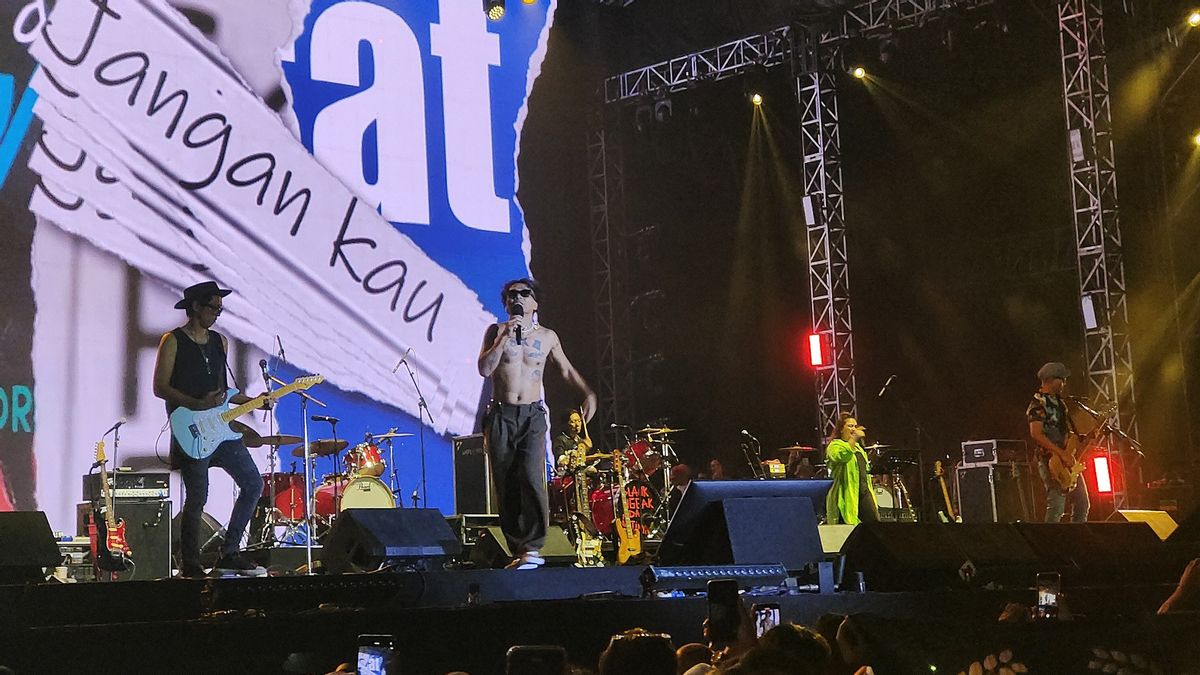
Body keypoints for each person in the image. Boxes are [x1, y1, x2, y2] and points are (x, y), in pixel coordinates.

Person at [478, 278, 596, 569]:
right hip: (502, 414)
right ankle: (519, 550)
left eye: (523, 293)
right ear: (506, 303)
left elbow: (565, 370)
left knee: (532, 477)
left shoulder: (547, 336)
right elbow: (484, 368)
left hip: (531, 415)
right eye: (511, 295)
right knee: (506, 484)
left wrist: (588, 393)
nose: (516, 298)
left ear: (535, 302)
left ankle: (532, 548)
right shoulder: (496, 331)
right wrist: (504, 338)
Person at [153, 281, 269, 578]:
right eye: (213, 307)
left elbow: (224, 391)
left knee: (253, 484)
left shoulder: (220, 342)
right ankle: (190, 564)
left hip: (220, 428)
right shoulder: (173, 340)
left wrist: (255, 401)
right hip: (191, 427)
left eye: (220, 308)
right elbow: (160, 387)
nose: (217, 313)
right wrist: (195, 403)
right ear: (196, 307)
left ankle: (229, 553)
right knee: (197, 497)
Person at [1026, 362, 1089, 523]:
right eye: (1061, 379)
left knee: (1082, 502)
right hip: (1049, 461)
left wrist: (1072, 444)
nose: (1064, 383)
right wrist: (1061, 453)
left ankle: (1077, 538)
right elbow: (1036, 434)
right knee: (1057, 504)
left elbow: (1066, 431)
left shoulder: (1060, 404)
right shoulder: (1037, 404)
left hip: (1065, 459)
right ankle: (1050, 542)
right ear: (1050, 380)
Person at [824, 413, 879, 525]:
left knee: (874, 522)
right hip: (846, 491)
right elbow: (842, 456)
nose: (853, 429)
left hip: (863, 490)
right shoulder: (835, 446)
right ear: (841, 429)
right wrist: (853, 438)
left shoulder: (858, 447)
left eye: (855, 426)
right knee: (848, 525)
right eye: (850, 426)